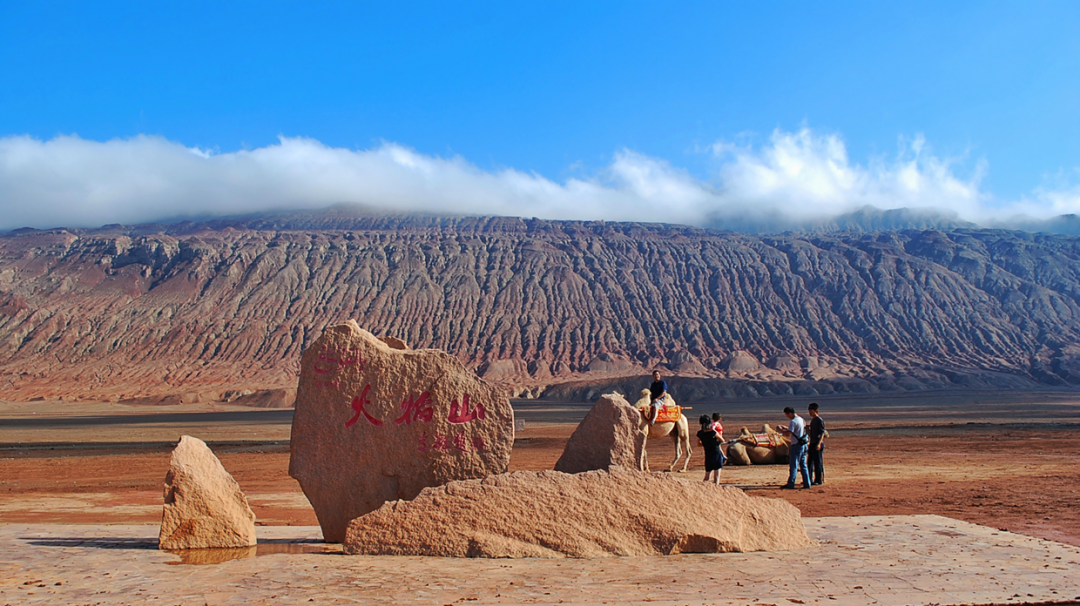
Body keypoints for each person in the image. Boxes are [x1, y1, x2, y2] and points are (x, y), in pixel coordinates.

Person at [776, 406, 810, 489]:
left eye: (787, 415)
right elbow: (798, 431)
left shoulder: (793, 421)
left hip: (796, 445)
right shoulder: (801, 419)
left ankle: (791, 483)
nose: (787, 416)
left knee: (794, 465)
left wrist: (780, 430)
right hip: (804, 445)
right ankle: (807, 483)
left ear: (790, 413)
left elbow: (788, 434)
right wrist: (786, 428)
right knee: (803, 465)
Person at [696, 414, 723, 484]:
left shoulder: (700, 433)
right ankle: (716, 490)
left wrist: (705, 443)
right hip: (716, 454)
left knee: (707, 476)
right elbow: (722, 440)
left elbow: (698, 444)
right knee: (716, 477)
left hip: (708, 455)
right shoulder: (713, 432)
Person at [807, 402, 826, 486]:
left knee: (817, 462)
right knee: (810, 461)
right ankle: (809, 479)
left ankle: (819, 479)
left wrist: (819, 443)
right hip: (812, 442)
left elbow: (822, 433)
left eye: (811, 410)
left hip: (817, 443)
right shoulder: (813, 420)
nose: (809, 412)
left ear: (816, 411)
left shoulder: (819, 420)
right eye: (809, 410)